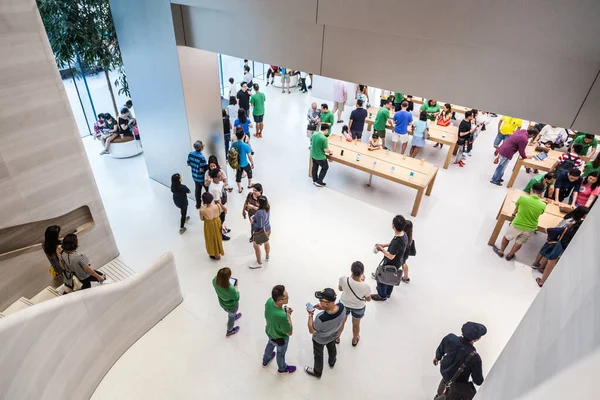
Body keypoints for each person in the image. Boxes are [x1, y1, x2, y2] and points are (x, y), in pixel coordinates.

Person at [533, 206, 589, 287]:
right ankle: (541, 269)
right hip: (564, 244)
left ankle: (541, 278)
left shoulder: (571, 219)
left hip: (559, 241)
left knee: (549, 258)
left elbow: (559, 228)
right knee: (552, 259)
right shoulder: (578, 223)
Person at [493, 183, 547, 260]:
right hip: (530, 227)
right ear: (542, 192)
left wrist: (514, 213)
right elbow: (540, 213)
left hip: (517, 224)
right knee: (519, 242)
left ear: (531, 189)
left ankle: (501, 251)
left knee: (507, 237)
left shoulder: (523, 198)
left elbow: (517, 207)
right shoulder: (543, 205)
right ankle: (510, 255)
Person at [433, 322, 487, 399]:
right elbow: (478, 381)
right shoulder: (474, 357)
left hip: (444, 381)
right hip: (457, 390)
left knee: (439, 396)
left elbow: (441, 348)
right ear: (476, 339)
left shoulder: (450, 338)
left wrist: (437, 357)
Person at [305, 288, 346, 379]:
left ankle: (317, 372)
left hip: (320, 340)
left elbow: (311, 330)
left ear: (327, 303)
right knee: (332, 348)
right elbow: (333, 313)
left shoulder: (321, 319)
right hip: (334, 334)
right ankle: (332, 362)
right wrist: (323, 307)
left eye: (321, 300)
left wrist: (310, 315)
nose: (319, 302)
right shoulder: (342, 307)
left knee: (318, 355)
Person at [371, 215, 408, 301]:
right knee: (391, 278)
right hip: (398, 262)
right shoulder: (404, 235)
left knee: (382, 280)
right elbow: (394, 245)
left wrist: (381, 249)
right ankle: (388, 293)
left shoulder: (396, 241)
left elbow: (391, 256)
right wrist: (384, 245)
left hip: (390, 264)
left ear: (393, 226)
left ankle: (382, 295)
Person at [262, 285, 296, 373]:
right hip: (280, 339)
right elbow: (289, 332)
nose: (288, 298)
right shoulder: (282, 316)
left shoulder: (269, 301)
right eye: (286, 297)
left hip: (270, 332)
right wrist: (288, 315)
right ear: (280, 300)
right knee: (280, 354)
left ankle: (265, 360)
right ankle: (282, 368)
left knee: (270, 345)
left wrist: (284, 311)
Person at [337, 261, 371, 346]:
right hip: (359, 307)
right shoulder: (366, 286)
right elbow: (368, 299)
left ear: (351, 270)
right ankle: (355, 339)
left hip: (344, 304)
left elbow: (340, 289)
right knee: (356, 324)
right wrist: (362, 281)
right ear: (362, 272)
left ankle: (337, 338)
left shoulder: (343, 279)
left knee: (341, 322)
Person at [212, 267, 241, 337]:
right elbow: (237, 298)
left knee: (231, 314)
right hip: (232, 307)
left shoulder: (215, 280)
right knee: (231, 319)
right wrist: (236, 287)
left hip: (222, 303)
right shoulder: (231, 289)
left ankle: (233, 316)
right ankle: (229, 331)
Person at [43, 225, 73, 292]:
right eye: (58, 234)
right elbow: (65, 261)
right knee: (71, 286)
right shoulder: (59, 247)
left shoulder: (45, 245)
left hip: (56, 269)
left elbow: (51, 258)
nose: (60, 234)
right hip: (64, 270)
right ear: (54, 237)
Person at [199, 192, 225, 259]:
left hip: (209, 224)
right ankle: (219, 252)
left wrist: (202, 206)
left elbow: (202, 219)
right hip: (217, 222)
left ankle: (214, 253)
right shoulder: (218, 206)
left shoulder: (202, 210)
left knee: (210, 239)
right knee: (218, 237)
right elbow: (221, 212)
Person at [208, 169, 231, 241]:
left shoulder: (218, 182)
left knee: (223, 220)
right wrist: (224, 208)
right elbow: (217, 201)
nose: (221, 177)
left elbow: (222, 184)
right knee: (220, 221)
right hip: (219, 208)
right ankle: (221, 234)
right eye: (219, 176)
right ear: (214, 178)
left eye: (221, 175)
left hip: (223, 202)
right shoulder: (214, 189)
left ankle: (224, 228)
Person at [249, 195, 271, 269]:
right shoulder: (267, 208)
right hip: (268, 228)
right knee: (266, 242)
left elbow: (259, 225)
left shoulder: (259, 213)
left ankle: (258, 262)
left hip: (260, 232)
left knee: (256, 246)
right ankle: (267, 256)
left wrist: (252, 221)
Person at [231, 128, 254, 193]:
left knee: (238, 176)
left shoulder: (233, 144)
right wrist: (252, 163)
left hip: (237, 164)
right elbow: (249, 156)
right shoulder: (246, 145)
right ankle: (249, 184)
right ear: (243, 135)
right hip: (245, 163)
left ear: (236, 136)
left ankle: (239, 189)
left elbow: (230, 152)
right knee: (249, 172)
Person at [187, 140, 208, 209]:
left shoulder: (190, 154)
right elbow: (202, 170)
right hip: (201, 178)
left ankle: (198, 205)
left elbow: (188, 163)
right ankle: (208, 202)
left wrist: (194, 166)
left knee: (197, 191)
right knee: (208, 189)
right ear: (201, 148)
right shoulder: (202, 157)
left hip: (194, 176)